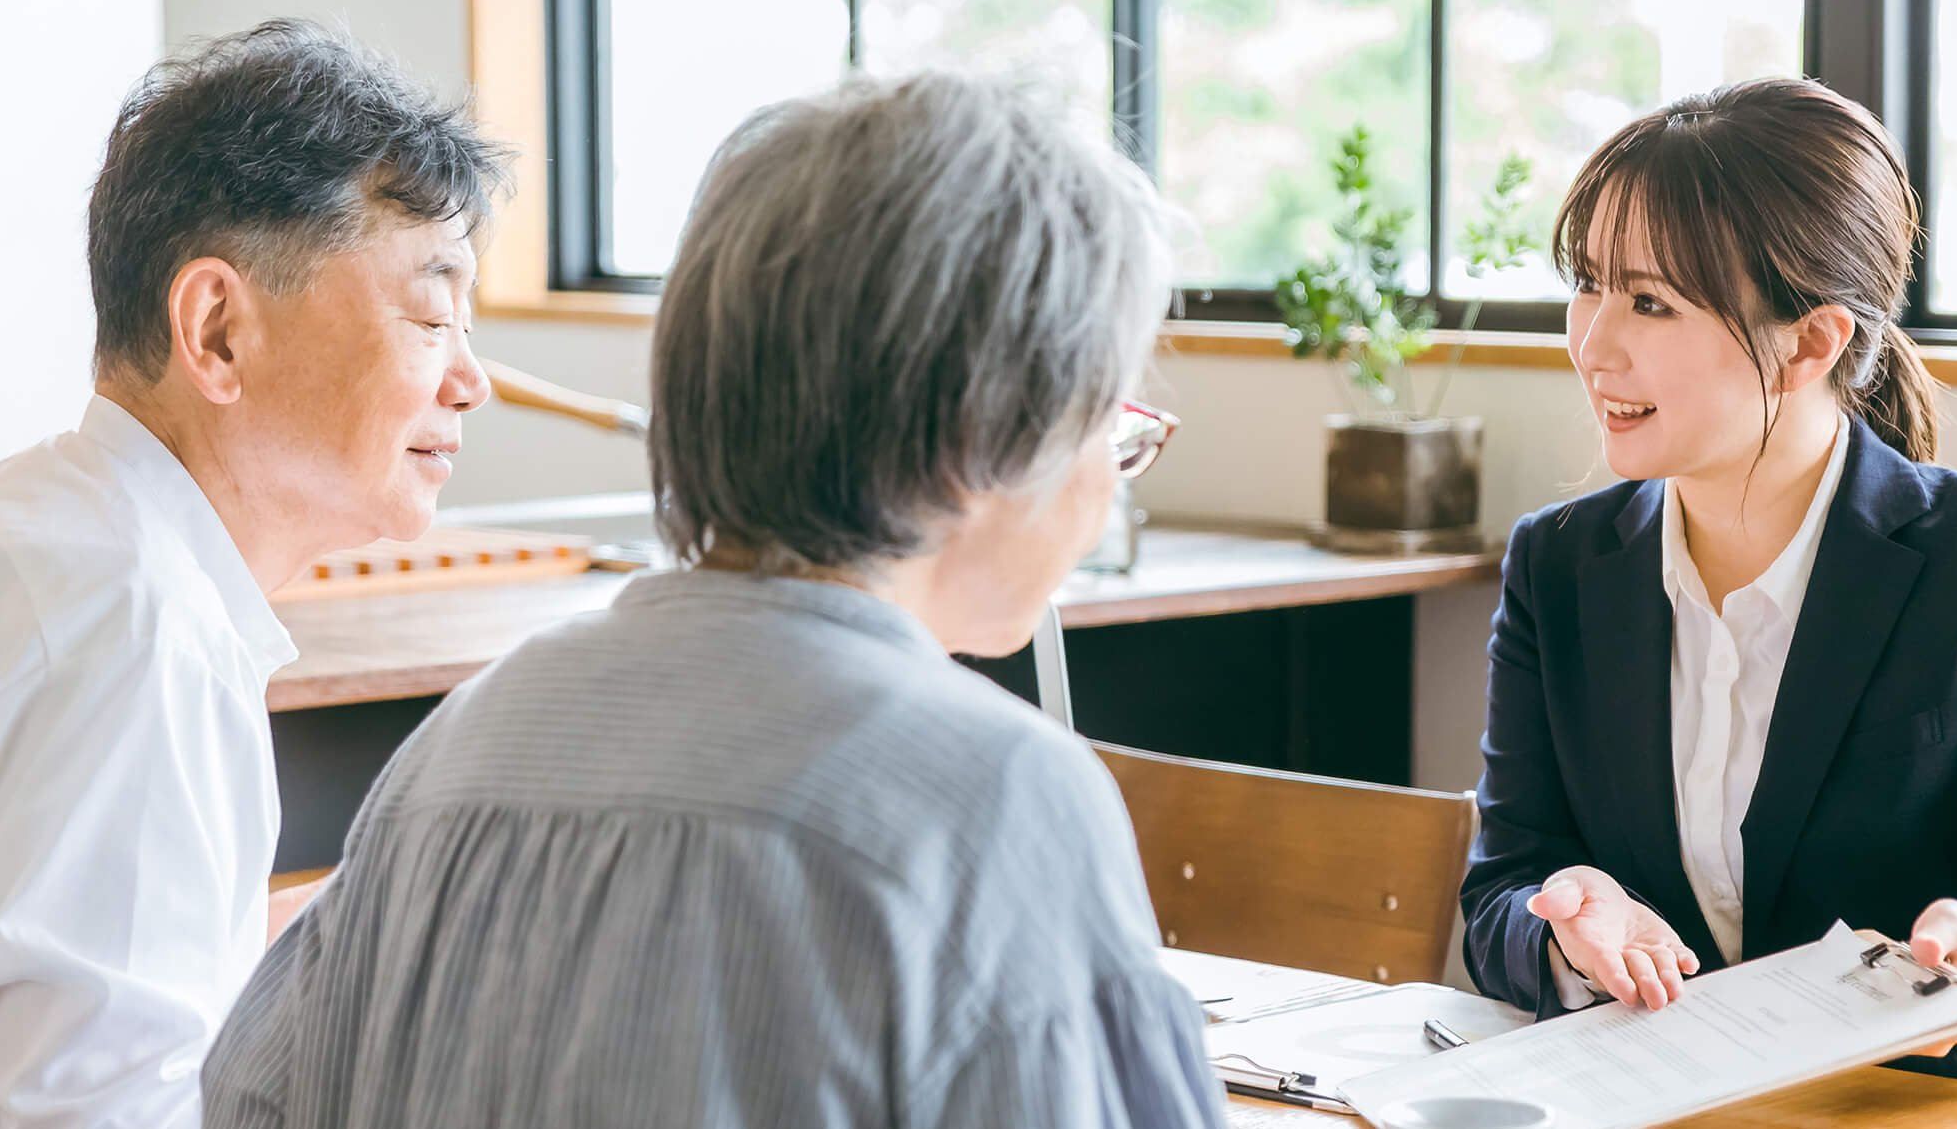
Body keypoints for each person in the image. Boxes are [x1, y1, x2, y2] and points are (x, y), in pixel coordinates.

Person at [201, 71, 1224, 1129]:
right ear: (985, 433)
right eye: (1112, 422)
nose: (1111, 472)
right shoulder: (996, 799)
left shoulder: (462, 747)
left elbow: (246, 1105)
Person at [0, 19, 505, 1127]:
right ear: (215, 330)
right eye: (431, 313)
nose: (472, 381)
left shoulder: (28, 534)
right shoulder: (135, 629)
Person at [1459, 77, 1957, 1101]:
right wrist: (1569, 928)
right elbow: (1501, 891)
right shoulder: (1558, 566)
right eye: (1589, 284)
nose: (1592, 341)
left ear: (1811, 342)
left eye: (1649, 301)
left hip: (1954, 1111)